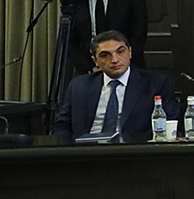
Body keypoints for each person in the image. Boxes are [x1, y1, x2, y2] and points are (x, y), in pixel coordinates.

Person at [50, 30, 180, 140]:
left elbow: (169, 124)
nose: (114, 60)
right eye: (105, 55)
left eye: (120, 52)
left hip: (133, 152)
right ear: (95, 61)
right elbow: (61, 125)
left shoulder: (156, 83)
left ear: (130, 52)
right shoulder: (79, 85)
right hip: (87, 152)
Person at [65, 0, 149, 75]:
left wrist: (119, 63)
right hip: (90, 70)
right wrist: (90, 67)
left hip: (127, 68)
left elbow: (139, 34)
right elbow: (70, 41)